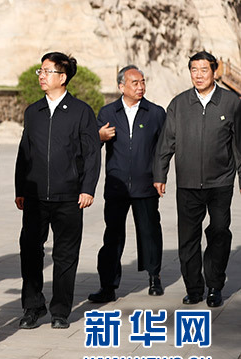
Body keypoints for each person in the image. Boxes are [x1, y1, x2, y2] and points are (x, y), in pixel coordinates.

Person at [15, 52, 100, 330]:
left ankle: (60, 310)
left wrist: (87, 188)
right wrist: (20, 188)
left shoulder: (81, 111)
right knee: (30, 251)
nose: (41, 76)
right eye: (40, 71)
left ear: (62, 77)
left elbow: (92, 154)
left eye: (47, 71)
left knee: (65, 255)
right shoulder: (33, 112)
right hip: (35, 196)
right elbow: (24, 153)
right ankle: (32, 306)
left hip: (69, 196)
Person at [153, 51, 241, 308]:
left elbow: (239, 145)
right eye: (194, 70)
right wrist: (160, 174)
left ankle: (214, 286)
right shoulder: (179, 104)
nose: (199, 75)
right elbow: (166, 142)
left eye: (204, 70)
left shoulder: (231, 103)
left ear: (214, 71)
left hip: (220, 182)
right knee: (188, 238)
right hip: (188, 183)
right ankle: (193, 288)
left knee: (219, 232)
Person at [88, 66, 166, 303]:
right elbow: (91, 145)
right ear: (121, 86)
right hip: (117, 186)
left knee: (150, 232)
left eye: (143, 82)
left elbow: (163, 150)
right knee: (112, 235)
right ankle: (108, 286)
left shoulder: (155, 113)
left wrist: (160, 176)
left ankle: (154, 277)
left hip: (146, 185)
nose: (140, 87)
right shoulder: (108, 112)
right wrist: (98, 136)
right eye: (135, 83)